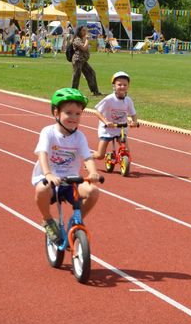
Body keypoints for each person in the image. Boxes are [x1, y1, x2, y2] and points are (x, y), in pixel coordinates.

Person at [32, 88, 101, 244]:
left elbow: (87, 157)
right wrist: (48, 174)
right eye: (68, 113)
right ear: (56, 113)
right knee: (41, 189)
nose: (74, 117)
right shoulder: (48, 132)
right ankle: (47, 220)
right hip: (50, 180)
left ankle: (76, 221)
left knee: (93, 191)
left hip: (71, 181)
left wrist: (93, 172)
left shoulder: (79, 136)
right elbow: (42, 152)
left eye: (78, 114)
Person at [91, 71, 139, 160]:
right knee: (100, 155)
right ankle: (89, 158)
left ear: (128, 86)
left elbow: (133, 113)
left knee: (126, 150)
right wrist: (106, 122)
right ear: (114, 86)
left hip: (121, 128)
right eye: (119, 84)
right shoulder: (109, 99)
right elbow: (97, 111)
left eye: (125, 85)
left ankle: (123, 163)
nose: (122, 87)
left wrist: (135, 122)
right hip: (107, 128)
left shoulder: (128, 100)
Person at [70, 25, 102, 96]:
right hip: (78, 60)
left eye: (86, 30)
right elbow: (84, 48)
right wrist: (87, 40)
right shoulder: (77, 39)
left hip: (83, 61)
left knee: (91, 73)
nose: (85, 32)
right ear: (79, 31)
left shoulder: (82, 39)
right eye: (83, 30)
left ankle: (95, 91)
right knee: (76, 76)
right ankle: (73, 92)